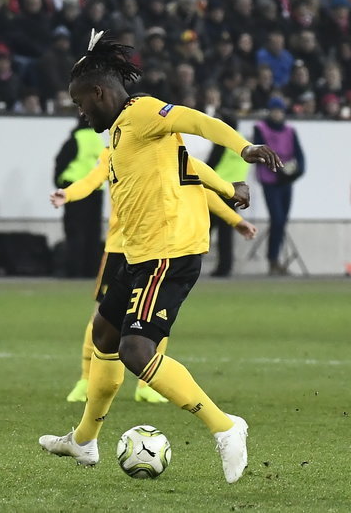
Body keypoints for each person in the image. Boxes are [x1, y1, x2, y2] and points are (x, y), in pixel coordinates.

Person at [40, 30, 281, 484]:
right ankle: (84, 439)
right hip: (139, 256)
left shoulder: (143, 111)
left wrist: (243, 149)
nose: (80, 111)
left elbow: (196, 121)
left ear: (98, 92)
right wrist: (228, 190)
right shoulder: (121, 133)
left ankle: (226, 427)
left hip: (167, 255)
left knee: (135, 350)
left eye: (80, 102)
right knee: (103, 333)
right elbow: (186, 165)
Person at [54, 148, 258, 404]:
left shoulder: (166, 154)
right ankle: (86, 380)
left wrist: (233, 219)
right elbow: (92, 180)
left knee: (156, 316)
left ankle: (146, 385)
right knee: (102, 316)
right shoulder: (113, 153)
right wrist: (68, 194)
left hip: (156, 248)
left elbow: (199, 187)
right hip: (120, 247)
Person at [254, 97, 306, 275]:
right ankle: (273, 258)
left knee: (282, 220)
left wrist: (297, 171)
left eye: (280, 111)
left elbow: (299, 154)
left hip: (286, 180)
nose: (277, 114)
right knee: (276, 218)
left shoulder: (290, 131)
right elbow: (260, 153)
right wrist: (279, 169)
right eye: (275, 111)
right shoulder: (261, 128)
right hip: (270, 179)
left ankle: (276, 257)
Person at [53, 115, 104, 278]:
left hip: (75, 188)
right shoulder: (98, 139)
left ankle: (74, 270)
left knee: (75, 230)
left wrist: (58, 181)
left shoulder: (76, 138)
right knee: (93, 231)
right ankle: (91, 270)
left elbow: (61, 161)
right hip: (96, 191)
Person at [206, 112, 252, 277]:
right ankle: (225, 266)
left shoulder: (223, 140)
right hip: (236, 191)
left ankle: (190, 263)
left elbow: (211, 164)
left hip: (219, 189)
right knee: (227, 231)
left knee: (205, 228)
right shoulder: (243, 142)